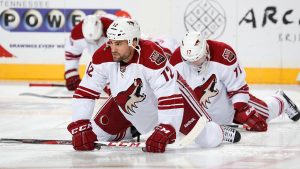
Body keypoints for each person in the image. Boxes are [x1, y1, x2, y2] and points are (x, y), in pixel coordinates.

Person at [67, 18, 241, 153]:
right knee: (96, 134)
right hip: (130, 105)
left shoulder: (151, 55)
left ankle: (218, 129)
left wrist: (166, 127)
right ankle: (131, 129)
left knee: (209, 140)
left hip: (175, 99)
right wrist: (80, 124)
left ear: (134, 42)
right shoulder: (102, 56)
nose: (112, 48)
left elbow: (169, 95)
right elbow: (85, 92)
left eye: (118, 43)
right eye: (111, 42)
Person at [169, 31, 300, 132]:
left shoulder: (224, 54)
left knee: (264, 113)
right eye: (189, 60)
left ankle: (281, 100)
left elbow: (238, 88)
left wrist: (243, 110)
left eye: (197, 58)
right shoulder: (175, 62)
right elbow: (172, 92)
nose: (194, 63)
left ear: (206, 49)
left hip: (227, 98)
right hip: (205, 107)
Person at [64, 14, 116, 91]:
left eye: (96, 40)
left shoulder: (115, 29)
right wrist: (71, 73)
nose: (95, 43)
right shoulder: (77, 34)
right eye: (91, 41)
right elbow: (71, 54)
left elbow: (124, 55)